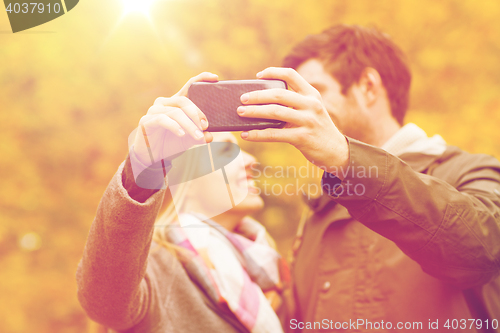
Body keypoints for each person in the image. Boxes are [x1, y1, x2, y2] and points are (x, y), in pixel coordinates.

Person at [236, 25, 500, 332]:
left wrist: (346, 157)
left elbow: (481, 251)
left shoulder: (469, 171)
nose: (303, 107)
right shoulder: (318, 211)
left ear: (369, 86)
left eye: (316, 91)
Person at [76, 73, 286, 333]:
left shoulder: (268, 272)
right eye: (227, 151)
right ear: (188, 176)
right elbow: (104, 304)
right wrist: (146, 163)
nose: (250, 160)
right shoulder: (153, 265)